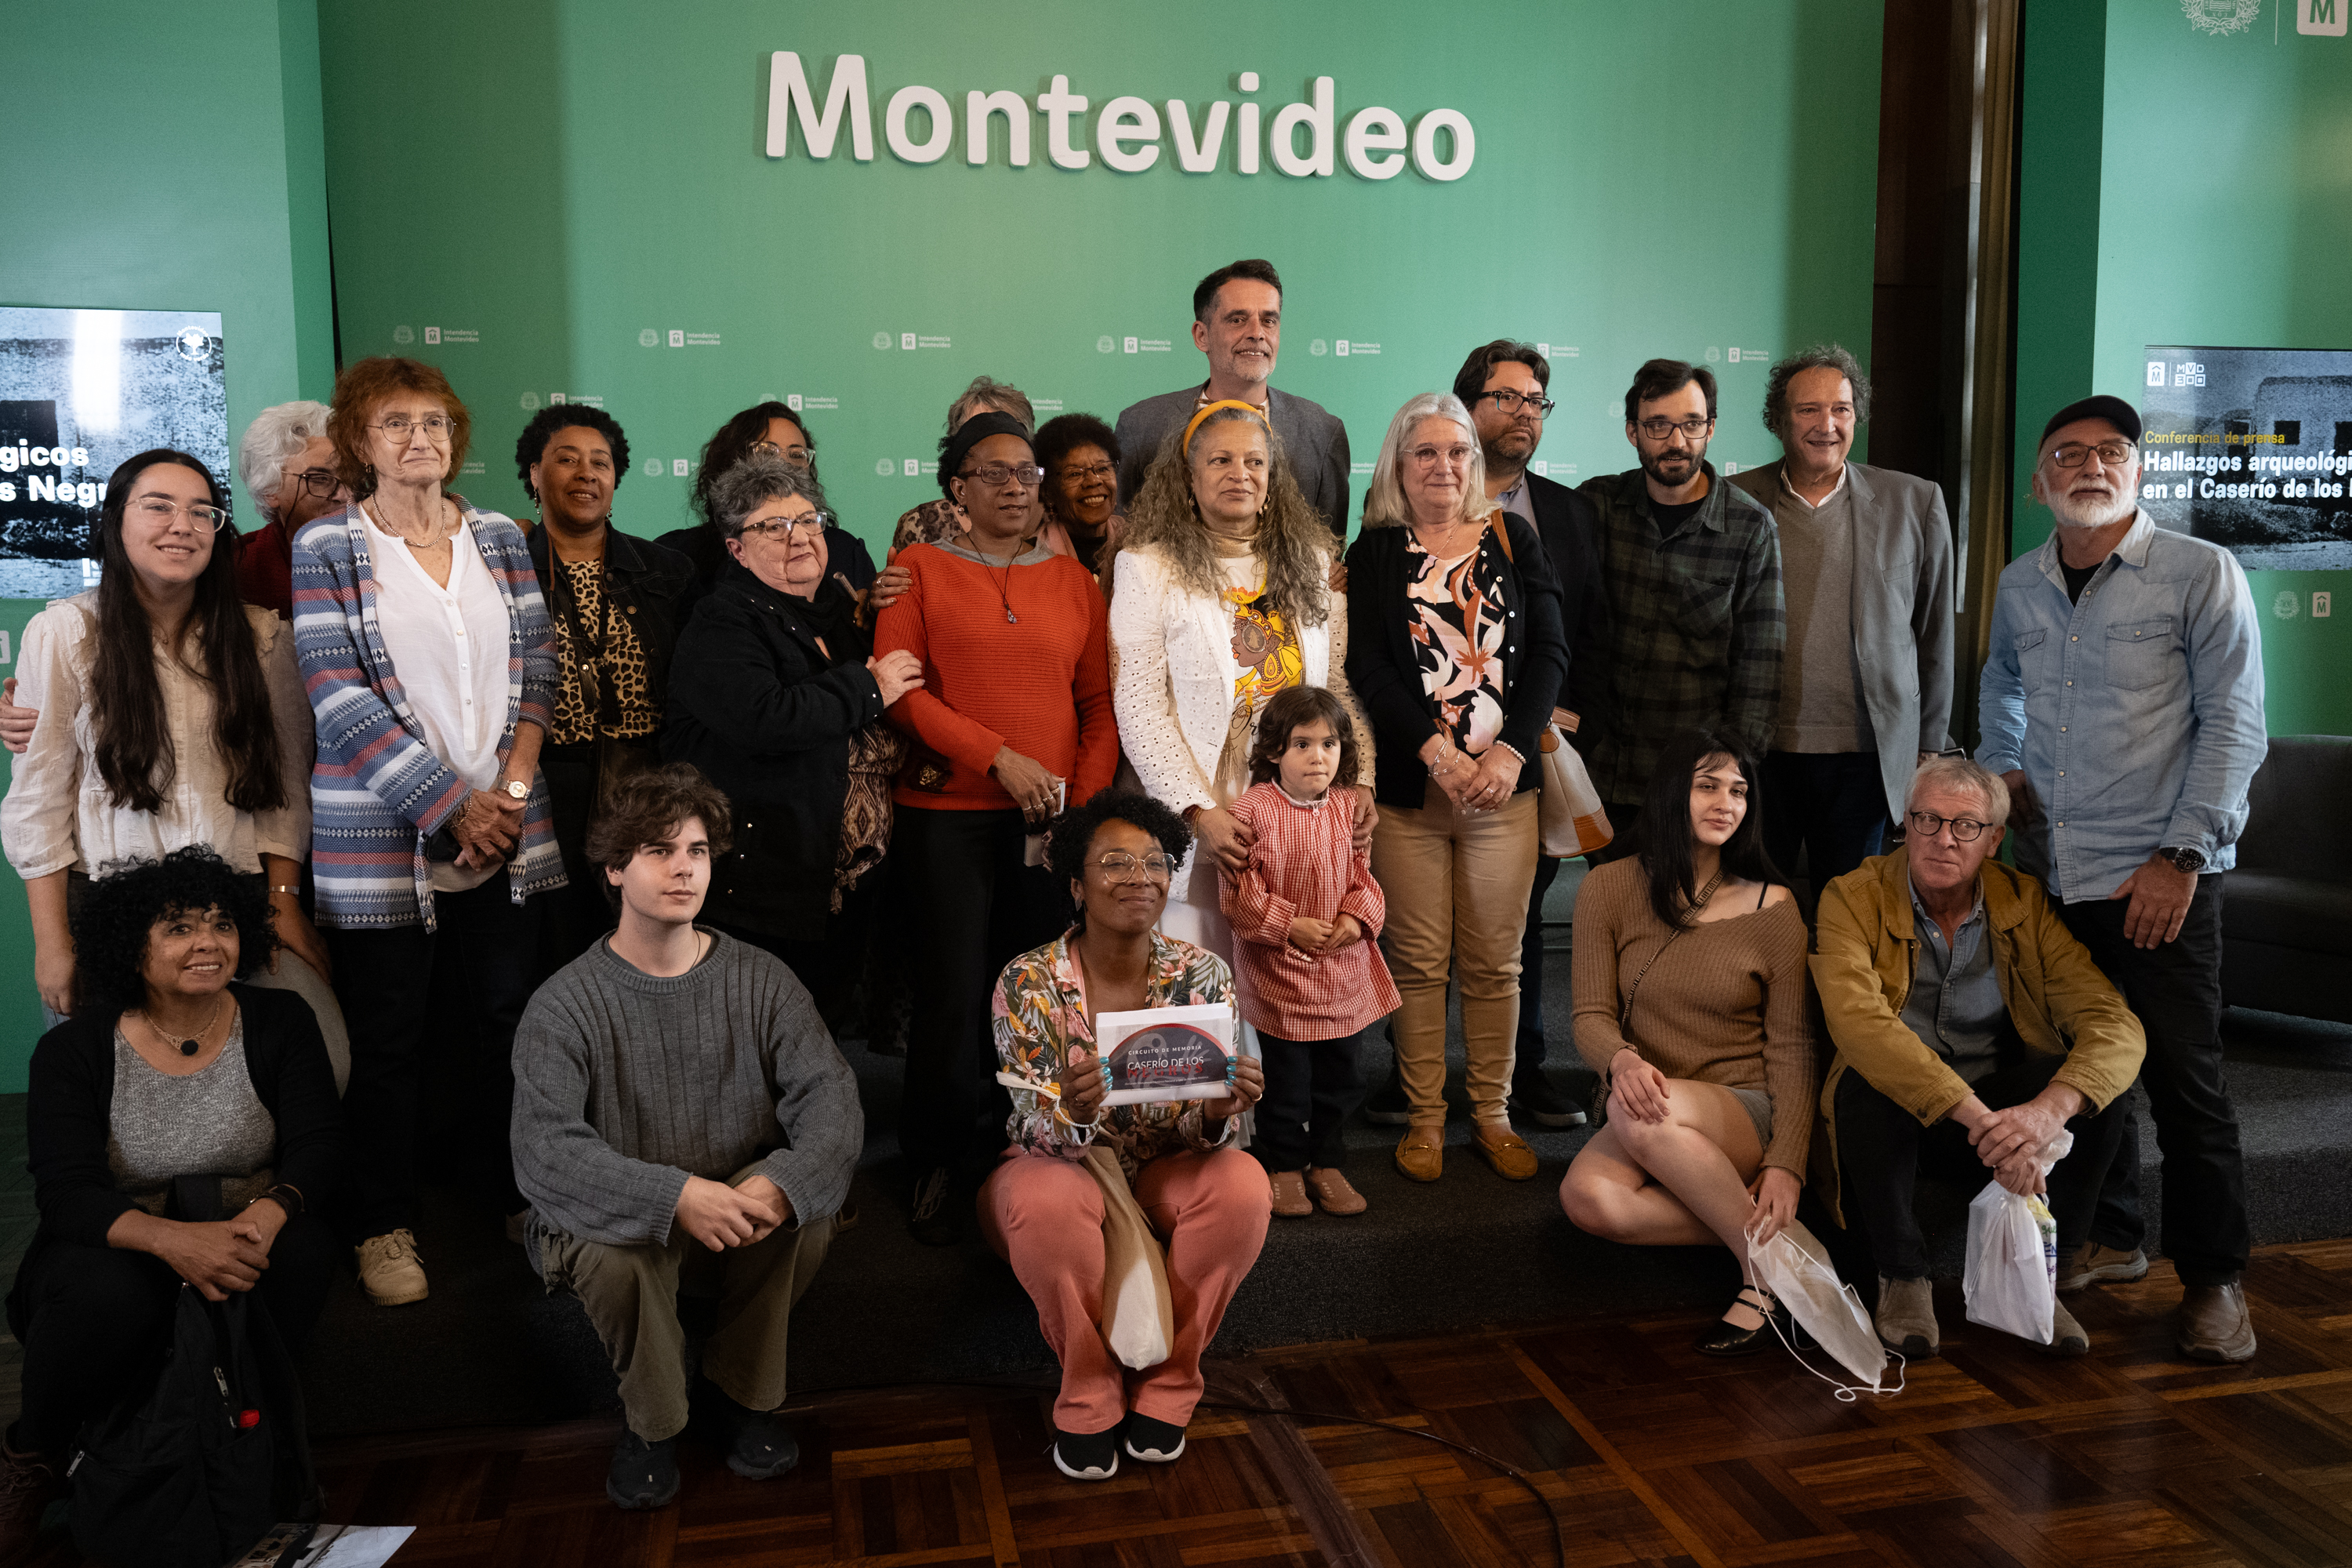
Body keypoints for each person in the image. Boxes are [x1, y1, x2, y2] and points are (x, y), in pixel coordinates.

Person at [1977, 393, 2268, 1364]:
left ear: (2140, 471)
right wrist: (2005, 764)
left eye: (2111, 452)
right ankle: (2113, 1234)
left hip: (2161, 878)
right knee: (2084, 1070)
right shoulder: (2022, 582)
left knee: (2186, 1083)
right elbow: (2000, 685)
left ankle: (2217, 1281)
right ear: (2038, 480)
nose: (2090, 466)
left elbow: (2235, 724)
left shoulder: (2199, 572)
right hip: (2054, 870)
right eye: (2068, 453)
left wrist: (2183, 854)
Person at [511, 765, 860, 1511]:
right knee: (611, 1254)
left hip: (734, 1208)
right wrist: (672, 1197)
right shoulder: (563, 1005)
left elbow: (832, 1098)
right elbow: (545, 1153)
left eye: (697, 851)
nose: (683, 868)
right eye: (658, 850)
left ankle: (739, 1390)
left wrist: (780, 1184)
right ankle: (654, 1424)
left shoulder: (763, 978)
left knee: (805, 1206)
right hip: (628, 1222)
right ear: (613, 869)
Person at [293, 355, 562, 1307]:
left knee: (508, 1026)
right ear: (362, 442)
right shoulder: (328, 544)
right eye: (398, 423)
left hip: (510, 831)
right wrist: (454, 805)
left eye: (437, 423)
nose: (421, 439)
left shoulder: (499, 535)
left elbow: (539, 672)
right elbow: (338, 695)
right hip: (383, 837)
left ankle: (522, 1202)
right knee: (390, 1039)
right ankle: (383, 1221)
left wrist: (512, 790)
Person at [0, 848, 344, 1558]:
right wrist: (172, 1241)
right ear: (132, 945)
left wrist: (267, 1213)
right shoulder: (76, 1051)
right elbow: (67, 1194)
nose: (207, 944)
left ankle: (251, 1446)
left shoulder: (279, 1020)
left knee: (305, 1251)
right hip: (125, 1240)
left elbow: (320, 1145)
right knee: (108, 1292)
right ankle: (37, 1457)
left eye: (221, 924)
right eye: (179, 928)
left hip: (246, 1223)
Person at [873, 412, 1119, 1244]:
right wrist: (1000, 758)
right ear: (957, 487)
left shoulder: (1075, 582)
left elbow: (1097, 707)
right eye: (996, 472)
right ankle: (939, 1153)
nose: (1017, 487)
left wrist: (1076, 808)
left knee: (1033, 993)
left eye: (1027, 474)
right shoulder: (916, 571)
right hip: (945, 817)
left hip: (1047, 829)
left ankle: (1032, 1144)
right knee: (950, 993)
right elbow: (901, 695)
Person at [1812, 757, 2143, 1359]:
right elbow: (1861, 1025)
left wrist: (2044, 1114)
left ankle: (2050, 1271)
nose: (1943, 838)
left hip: (1996, 1114)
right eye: (1928, 820)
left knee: (2097, 1085)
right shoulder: (1851, 897)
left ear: (1995, 841)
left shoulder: (2024, 903)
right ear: (1905, 825)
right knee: (1866, 1078)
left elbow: (2112, 1022)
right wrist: (1986, 1123)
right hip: (1903, 1122)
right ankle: (1903, 1276)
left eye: (1966, 826)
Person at [980, 791, 1269, 1482]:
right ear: (1076, 885)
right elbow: (1026, 1124)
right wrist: (1075, 1113)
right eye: (1114, 863)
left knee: (1242, 1186)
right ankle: (1088, 1390)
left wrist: (1220, 1109)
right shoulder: (1027, 981)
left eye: (1154, 863)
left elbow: (1208, 1137)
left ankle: (1170, 1385)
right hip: (1062, 1171)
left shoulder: (1202, 974)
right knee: (1048, 1200)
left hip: (1166, 1167)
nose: (1139, 877)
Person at [2, 450, 327, 1019]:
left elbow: (285, 789)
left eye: (203, 512)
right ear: (114, 521)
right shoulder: (64, 632)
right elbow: (39, 802)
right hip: (108, 906)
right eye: (159, 507)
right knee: (118, 1090)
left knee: (313, 1057)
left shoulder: (263, 638)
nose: (183, 525)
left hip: (235, 904)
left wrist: (282, 901)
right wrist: (53, 943)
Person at [1343, 392, 1566, 1184]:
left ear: (1476, 463)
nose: (1443, 466)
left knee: (1497, 962)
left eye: (1457, 452)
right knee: (1418, 962)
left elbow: (1549, 655)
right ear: (1397, 465)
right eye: (1425, 452)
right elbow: (1366, 666)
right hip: (1414, 791)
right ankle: (1428, 1117)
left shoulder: (1513, 536)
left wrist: (1507, 753)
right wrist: (1437, 754)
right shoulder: (1372, 552)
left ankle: (1495, 1114)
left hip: (1503, 795)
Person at [1557, 728, 1812, 1354]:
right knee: (1590, 1199)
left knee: (1642, 1110)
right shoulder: (1608, 887)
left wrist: (1788, 1163)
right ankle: (1785, 1243)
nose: (1726, 803)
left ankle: (1760, 1273)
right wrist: (1620, 1060)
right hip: (1649, 1102)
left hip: (1743, 1105)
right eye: (1707, 786)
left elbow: (1794, 1048)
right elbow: (1590, 1015)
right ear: (1673, 792)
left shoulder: (1774, 907)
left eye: (1739, 791)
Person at [1107, 398, 1374, 959]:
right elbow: (1139, 706)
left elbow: (1337, 691)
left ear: (1272, 479)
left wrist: (1359, 781)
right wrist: (1196, 813)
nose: (1240, 474)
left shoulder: (1316, 563)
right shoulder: (1146, 568)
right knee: (1214, 988)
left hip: (1304, 807)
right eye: (1220, 461)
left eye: (1255, 463)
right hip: (1212, 814)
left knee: (1297, 986)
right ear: (1188, 477)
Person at [662, 457, 922, 1023]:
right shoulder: (723, 621)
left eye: (809, 519)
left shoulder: (836, 616)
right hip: (762, 890)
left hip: (840, 889)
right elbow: (767, 717)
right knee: (760, 1044)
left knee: (819, 1043)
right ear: (736, 549)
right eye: (772, 527)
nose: (798, 536)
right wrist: (869, 686)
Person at [1731, 346, 1955, 895]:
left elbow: (1935, 637)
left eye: (1841, 409)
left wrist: (1931, 748)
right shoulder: (1733, 499)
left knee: (1852, 920)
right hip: (1760, 753)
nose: (1826, 425)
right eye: (1808, 410)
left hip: (1869, 757)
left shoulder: (1915, 501)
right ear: (1779, 420)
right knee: (1758, 911)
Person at [1457, 340, 1611, 1131]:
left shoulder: (1570, 512)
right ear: (1466, 406)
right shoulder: (1420, 498)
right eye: (1505, 397)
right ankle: (1415, 1073)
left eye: (1535, 401)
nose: (1522, 413)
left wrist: (1567, 709)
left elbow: (1589, 627)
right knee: (1428, 922)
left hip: (1537, 748)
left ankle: (1525, 1070)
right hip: (1442, 750)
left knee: (1522, 915)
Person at [1577, 360, 1784, 851]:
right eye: (1658, 425)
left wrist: (1725, 781)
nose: (1677, 440)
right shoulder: (1596, 505)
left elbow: (1760, 672)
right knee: (1607, 914)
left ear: (1710, 427)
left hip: (1689, 785)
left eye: (1692, 423)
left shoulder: (1749, 528)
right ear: (1633, 432)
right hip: (1593, 775)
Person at [515, 404, 694, 968]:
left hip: (645, 782)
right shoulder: (502, 566)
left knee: (642, 943)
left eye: (602, 463)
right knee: (554, 948)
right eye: (566, 460)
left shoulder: (666, 570)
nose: (586, 473)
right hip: (545, 786)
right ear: (533, 477)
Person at [1221, 687, 1397, 1218]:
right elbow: (1239, 893)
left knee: (1342, 1079)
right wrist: (1286, 925)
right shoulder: (1252, 809)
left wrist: (1354, 918)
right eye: (1302, 744)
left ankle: (1328, 1162)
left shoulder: (1348, 808)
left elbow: (1364, 878)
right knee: (1287, 1084)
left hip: (1343, 976)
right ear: (1275, 750)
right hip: (1281, 976)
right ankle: (1284, 1166)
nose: (1318, 756)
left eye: (1329, 744)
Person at [1112, 260, 1350, 535]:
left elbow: (1330, 549)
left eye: (1269, 321)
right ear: (1202, 335)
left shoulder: (1322, 432)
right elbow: (1121, 538)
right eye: (1238, 320)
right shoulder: (1142, 425)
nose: (1257, 334)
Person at [659, 401, 877, 610]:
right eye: (766, 452)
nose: (783, 464)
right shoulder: (677, 557)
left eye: (796, 455)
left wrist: (877, 611)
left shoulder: (846, 552)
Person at [889, 377, 1051, 555]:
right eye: (979, 430)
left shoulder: (1056, 518)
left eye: (1008, 429)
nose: (998, 442)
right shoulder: (922, 524)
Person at [234, 400, 353, 619]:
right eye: (320, 479)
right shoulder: (236, 573)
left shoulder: (392, 553)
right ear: (270, 490)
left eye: (354, 477)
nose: (346, 495)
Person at [1034, 412, 1125, 576]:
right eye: (1075, 474)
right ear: (1047, 493)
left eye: (1103, 469)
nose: (1093, 481)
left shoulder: (1139, 545)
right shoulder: (1031, 559)